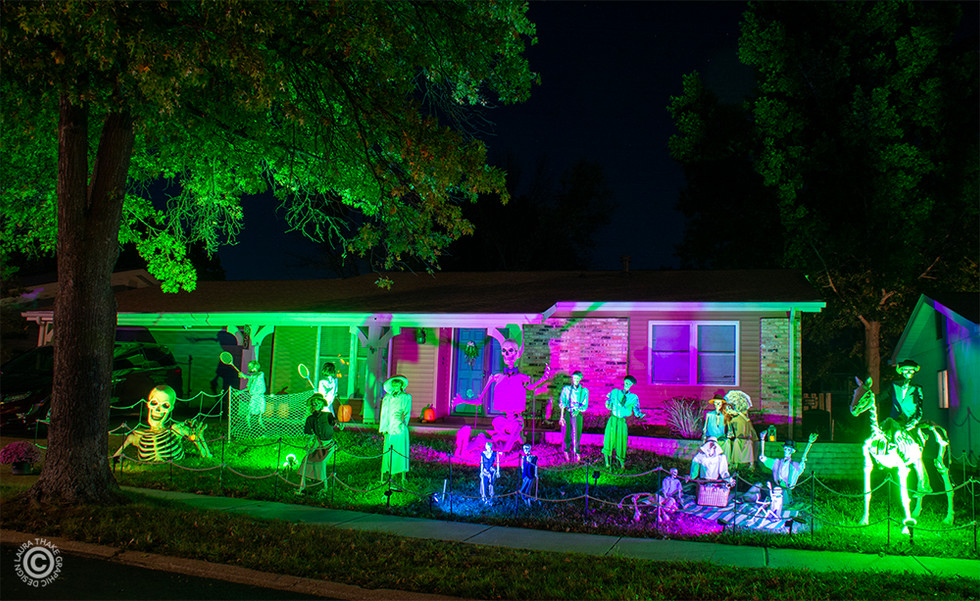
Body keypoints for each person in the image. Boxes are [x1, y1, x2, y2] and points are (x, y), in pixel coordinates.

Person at [757, 433, 818, 504]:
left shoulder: (795, 466)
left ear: (793, 451)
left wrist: (810, 443)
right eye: (785, 449)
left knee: (782, 502)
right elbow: (763, 458)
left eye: (789, 449)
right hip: (776, 488)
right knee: (758, 486)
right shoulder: (777, 463)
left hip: (785, 490)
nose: (786, 451)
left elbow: (803, 460)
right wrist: (762, 440)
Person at [298, 393, 339, 494]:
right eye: (314, 402)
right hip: (318, 443)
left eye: (318, 402)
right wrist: (308, 443)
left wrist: (340, 423)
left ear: (321, 404)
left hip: (329, 444)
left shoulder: (327, 415)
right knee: (305, 460)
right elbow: (311, 434)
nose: (315, 403)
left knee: (321, 463)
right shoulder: (310, 419)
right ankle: (302, 487)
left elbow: (336, 423)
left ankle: (325, 487)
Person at [603, 375, 644, 469]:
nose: (627, 385)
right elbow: (608, 401)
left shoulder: (633, 397)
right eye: (626, 383)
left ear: (631, 385)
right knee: (609, 438)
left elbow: (637, 410)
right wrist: (608, 404)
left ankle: (621, 461)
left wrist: (640, 415)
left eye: (629, 384)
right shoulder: (615, 392)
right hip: (613, 419)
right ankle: (607, 461)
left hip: (622, 421)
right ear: (623, 382)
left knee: (621, 440)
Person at [379, 374, 412, 483]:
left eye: (397, 383)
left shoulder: (406, 397)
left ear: (401, 385)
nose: (395, 385)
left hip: (399, 426)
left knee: (400, 449)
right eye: (393, 383)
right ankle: (386, 474)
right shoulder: (387, 398)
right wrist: (384, 428)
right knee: (388, 450)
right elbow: (384, 413)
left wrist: (403, 423)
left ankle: (402, 475)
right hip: (389, 426)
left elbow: (407, 412)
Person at [558, 370, 589, 461]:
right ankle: (566, 450)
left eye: (577, 378)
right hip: (568, 412)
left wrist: (578, 410)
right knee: (566, 432)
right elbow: (562, 402)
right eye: (574, 378)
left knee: (576, 433)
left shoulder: (584, 391)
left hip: (577, 413)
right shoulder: (566, 389)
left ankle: (576, 451)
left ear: (580, 379)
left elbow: (584, 404)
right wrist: (561, 417)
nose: (575, 379)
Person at [723, 390, 757, 468]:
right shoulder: (731, 419)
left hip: (745, 437)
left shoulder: (742, 416)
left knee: (746, 444)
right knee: (735, 443)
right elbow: (730, 430)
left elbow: (747, 422)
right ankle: (734, 463)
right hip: (737, 438)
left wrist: (738, 413)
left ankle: (750, 464)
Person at [245, 360, 267, 430]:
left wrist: (245, 376)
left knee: (261, 410)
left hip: (260, 396)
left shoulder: (260, 374)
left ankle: (260, 422)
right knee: (251, 409)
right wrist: (239, 392)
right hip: (254, 396)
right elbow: (248, 386)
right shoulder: (252, 376)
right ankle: (248, 424)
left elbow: (256, 376)